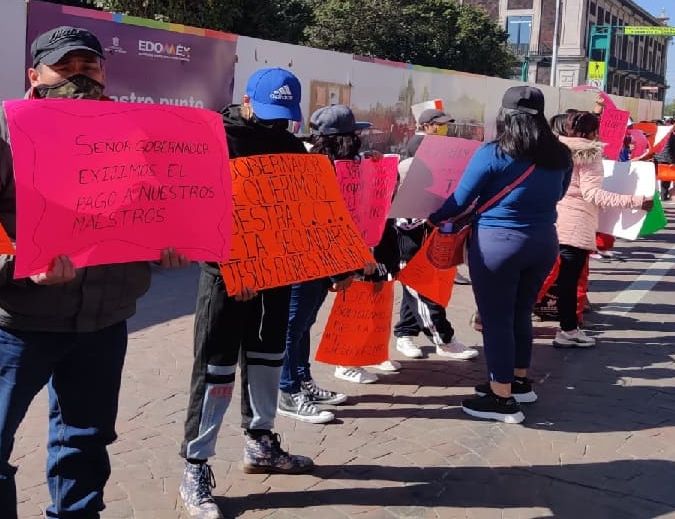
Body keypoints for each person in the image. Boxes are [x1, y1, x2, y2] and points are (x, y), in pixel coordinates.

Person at [0, 26, 190, 519]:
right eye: (65, 66)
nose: (78, 76)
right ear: (34, 75)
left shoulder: (134, 134)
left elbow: (144, 215)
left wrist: (163, 247)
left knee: (86, 440)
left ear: (104, 73)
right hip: (15, 326)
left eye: (89, 66)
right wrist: (21, 265)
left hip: (104, 324)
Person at [179, 68, 316, 519]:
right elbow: (195, 210)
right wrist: (234, 269)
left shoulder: (293, 146)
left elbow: (302, 213)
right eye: (270, 113)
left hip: (276, 274)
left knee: (266, 361)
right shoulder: (214, 139)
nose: (277, 124)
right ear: (247, 101)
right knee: (215, 369)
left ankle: (260, 442)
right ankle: (195, 466)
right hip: (225, 278)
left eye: (285, 116)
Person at [429, 87, 572, 424]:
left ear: (505, 116)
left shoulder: (493, 152)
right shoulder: (560, 154)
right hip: (543, 241)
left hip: (498, 243)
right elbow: (560, 193)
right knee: (521, 313)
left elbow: (460, 201)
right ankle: (519, 382)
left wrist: (432, 219)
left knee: (496, 321)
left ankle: (501, 399)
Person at [277, 104, 373, 425]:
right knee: (292, 326)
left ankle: (302, 381)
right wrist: (341, 268)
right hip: (302, 261)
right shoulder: (313, 169)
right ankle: (288, 391)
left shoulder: (336, 166)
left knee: (303, 324)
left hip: (321, 262)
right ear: (343, 138)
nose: (359, 139)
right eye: (354, 134)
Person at [388, 107, 479, 373]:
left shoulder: (435, 163)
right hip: (408, 235)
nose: (444, 128)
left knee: (416, 287)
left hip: (430, 233)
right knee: (420, 288)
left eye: (446, 124)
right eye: (439, 124)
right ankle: (444, 338)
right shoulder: (407, 166)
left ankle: (405, 333)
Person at [551, 112, 653, 349]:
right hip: (575, 224)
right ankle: (567, 330)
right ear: (592, 133)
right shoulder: (589, 154)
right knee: (567, 282)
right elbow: (592, 194)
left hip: (551, 220)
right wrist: (636, 201)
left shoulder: (554, 149)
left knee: (547, 278)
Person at [653, 118, 675, 201]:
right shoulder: (671, 135)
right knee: (666, 179)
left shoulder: (662, 134)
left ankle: (661, 195)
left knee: (662, 179)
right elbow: (670, 149)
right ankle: (663, 196)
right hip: (666, 160)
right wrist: (674, 161)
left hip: (659, 158)